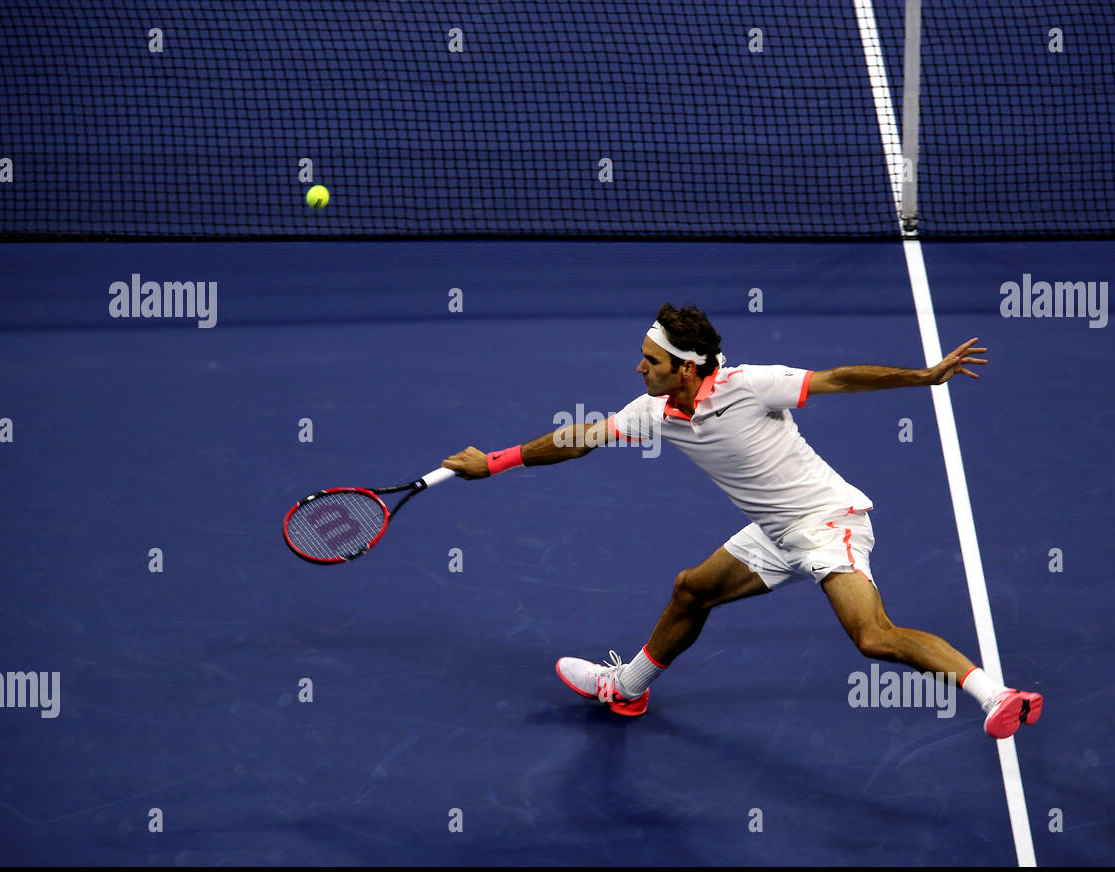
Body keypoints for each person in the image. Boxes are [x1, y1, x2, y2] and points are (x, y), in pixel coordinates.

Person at [442, 304, 1042, 738]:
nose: (639, 369)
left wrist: (924, 376)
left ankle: (998, 694)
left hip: (826, 522)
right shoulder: (654, 411)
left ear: (685, 368)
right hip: (776, 531)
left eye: (650, 362)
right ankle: (626, 691)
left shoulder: (751, 386)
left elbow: (837, 379)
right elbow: (580, 439)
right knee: (690, 590)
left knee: (872, 637)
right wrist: (492, 463)